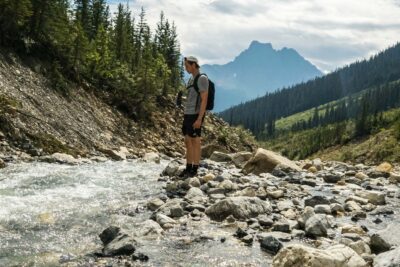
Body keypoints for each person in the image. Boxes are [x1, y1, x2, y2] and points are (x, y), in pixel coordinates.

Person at [179, 56, 209, 178]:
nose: (186, 68)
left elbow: (204, 99)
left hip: (195, 114)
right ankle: (188, 167)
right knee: (187, 140)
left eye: (187, 65)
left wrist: (199, 119)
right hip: (188, 113)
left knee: (195, 141)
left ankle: (194, 169)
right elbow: (192, 97)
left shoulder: (201, 79)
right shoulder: (191, 79)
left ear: (193, 65)